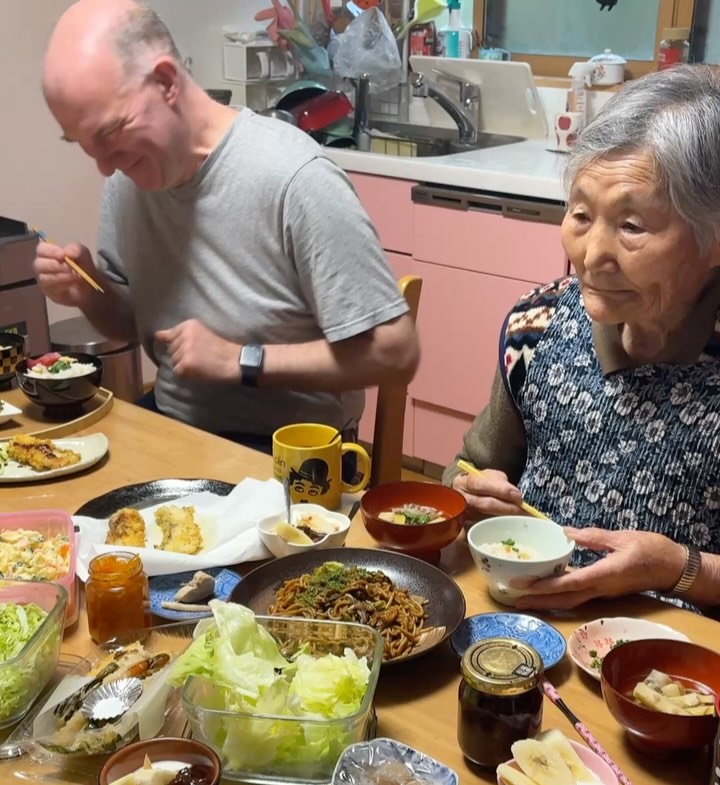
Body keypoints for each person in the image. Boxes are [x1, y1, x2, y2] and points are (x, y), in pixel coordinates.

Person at [34, 0, 418, 458]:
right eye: (84, 145)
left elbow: (396, 353)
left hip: (292, 457)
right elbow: (131, 322)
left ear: (166, 82)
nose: (102, 167)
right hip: (176, 429)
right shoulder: (127, 182)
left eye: (110, 134)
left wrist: (242, 360)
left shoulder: (294, 177)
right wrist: (87, 292)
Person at [445, 65, 720, 611]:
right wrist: (468, 493)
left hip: (670, 669)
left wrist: (678, 569)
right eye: (580, 214)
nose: (591, 256)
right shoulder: (539, 325)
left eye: (632, 226)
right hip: (526, 629)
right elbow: (468, 468)